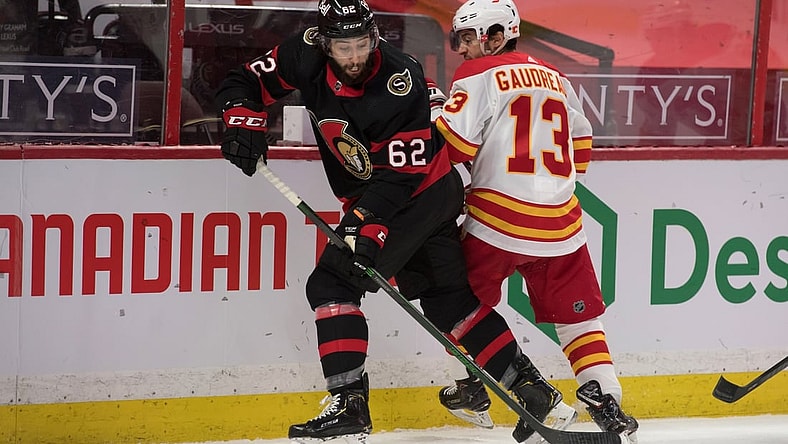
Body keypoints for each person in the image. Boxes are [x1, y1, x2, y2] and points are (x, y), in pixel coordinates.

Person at [214, 0, 567, 442]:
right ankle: (533, 389)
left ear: (375, 37)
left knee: (332, 284)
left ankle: (348, 405)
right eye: (344, 47)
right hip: (415, 193)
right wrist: (242, 116)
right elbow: (242, 81)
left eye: (363, 43)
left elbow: (401, 175)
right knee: (448, 301)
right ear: (324, 44)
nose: (356, 56)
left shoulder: (399, 80)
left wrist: (366, 221)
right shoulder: (300, 54)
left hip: (414, 193)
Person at [431, 0, 640, 443]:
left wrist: (435, 115)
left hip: (496, 221)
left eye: (469, 38)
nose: (463, 49)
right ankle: (607, 398)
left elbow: (451, 151)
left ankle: (470, 384)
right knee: (578, 320)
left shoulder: (475, 75)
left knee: (459, 305)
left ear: (494, 34)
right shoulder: (559, 78)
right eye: (460, 39)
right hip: (561, 224)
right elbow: (581, 151)